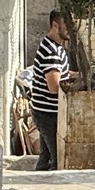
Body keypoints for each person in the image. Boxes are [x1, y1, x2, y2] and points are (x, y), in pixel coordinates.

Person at [31, 10, 72, 171]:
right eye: (66, 26)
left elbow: (59, 73)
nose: (70, 29)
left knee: (46, 157)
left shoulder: (55, 46)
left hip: (45, 112)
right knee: (57, 160)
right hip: (48, 114)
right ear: (55, 25)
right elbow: (54, 87)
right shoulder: (51, 53)